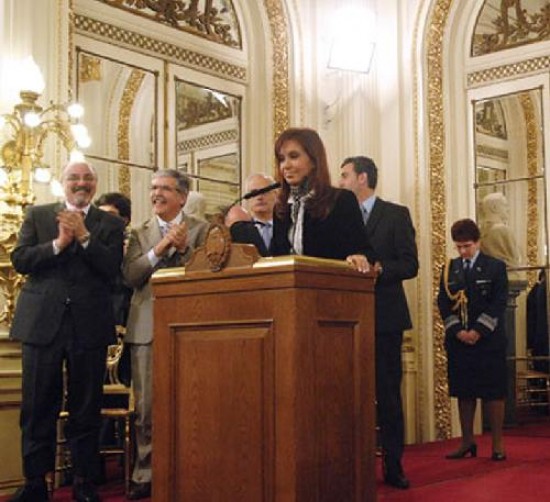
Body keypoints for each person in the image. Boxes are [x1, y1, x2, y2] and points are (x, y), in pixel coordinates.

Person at [9, 161, 125, 502]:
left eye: (87, 178)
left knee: (85, 408)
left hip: (88, 326)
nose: (81, 183)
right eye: (74, 177)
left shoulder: (111, 223)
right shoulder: (38, 215)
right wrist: (59, 243)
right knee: (36, 406)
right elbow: (20, 260)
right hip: (42, 324)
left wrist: (85, 237)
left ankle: (84, 483)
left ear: (95, 184)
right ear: (63, 183)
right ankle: (34, 483)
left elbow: (111, 270)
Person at [122, 169, 208, 500]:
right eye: (154, 188)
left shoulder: (202, 230)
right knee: (146, 409)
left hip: (191, 327)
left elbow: (206, 275)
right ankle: (145, 474)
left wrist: (185, 251)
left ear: (183, 197)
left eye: (165, 189)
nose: (157, 194)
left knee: (192, 404)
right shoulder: (139, 233)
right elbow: (130, 275)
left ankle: (191, 470)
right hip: (146, 328)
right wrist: (160, 248)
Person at [339, 155, 418, 490]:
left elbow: (410, 264)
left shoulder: (396, 214)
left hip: (385, 319)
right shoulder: (337, 218)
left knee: (388, 396)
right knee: (345, 397)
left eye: (344, 175)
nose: (339, 181)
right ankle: (348, 465)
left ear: (362, 178)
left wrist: (380, 269)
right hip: (343, 321)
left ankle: (394, 465)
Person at [437, 219, 508, 461]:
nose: (463, 251)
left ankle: (497, 445)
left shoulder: (495, 267)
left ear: (477, 242)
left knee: (493, 392)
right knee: (464, 391)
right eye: (458, 247)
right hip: (460, 341)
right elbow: (444, 303)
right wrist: (458, 331)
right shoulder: (450, 269)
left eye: (467, 246)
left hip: (488, 341)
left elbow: (499, 303)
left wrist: (478, 331)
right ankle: (467, 442)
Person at [270, 127, 369, 273]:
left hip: (331, 289)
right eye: (282, 159)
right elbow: (276, 257)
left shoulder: (341, 200)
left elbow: (362, 249)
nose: (286, 165)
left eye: (294, 156)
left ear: (314, 161)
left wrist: (359, 257)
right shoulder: (281, 208)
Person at [479, 192, 521, 270]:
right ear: (494, 207)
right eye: (505, 205)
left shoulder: (481, 231)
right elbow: (514, 259)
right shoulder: (502, 229)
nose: (508, 209)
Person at [244, 173, 277, 254]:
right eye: (254, 193)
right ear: (248, 198)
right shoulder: (240, 233)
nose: (259, 197)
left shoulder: (288, 227)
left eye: (264, 191)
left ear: (275, 195)